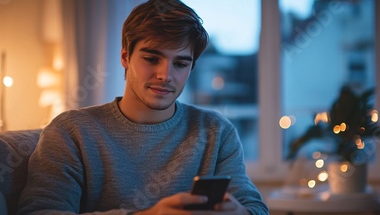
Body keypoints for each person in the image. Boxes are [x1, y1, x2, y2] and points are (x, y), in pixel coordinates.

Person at [17, 0, 268, 214]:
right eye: (151, 58)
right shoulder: (71, 132)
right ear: (125, 57)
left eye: (180, 64)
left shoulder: (216, 131)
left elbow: (255, 207)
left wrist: (239, 212)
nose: (165, 75)